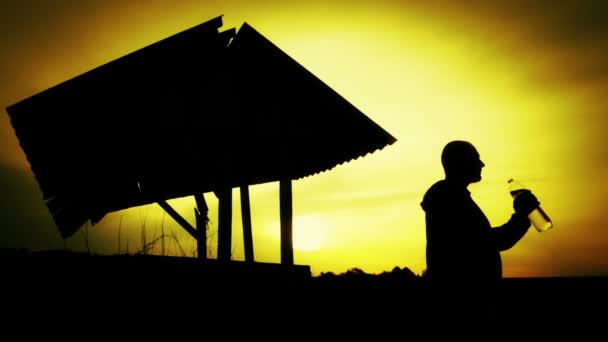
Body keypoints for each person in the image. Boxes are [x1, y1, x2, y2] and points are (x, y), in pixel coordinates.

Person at [420, 140, 540, 322]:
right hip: (464, 305)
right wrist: (521, 217)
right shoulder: (449, 199)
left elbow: (485, 240)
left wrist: (520, 218)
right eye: (476, 158)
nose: (482, 164)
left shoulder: (453, 197)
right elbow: (489, 242)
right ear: (460, 162)